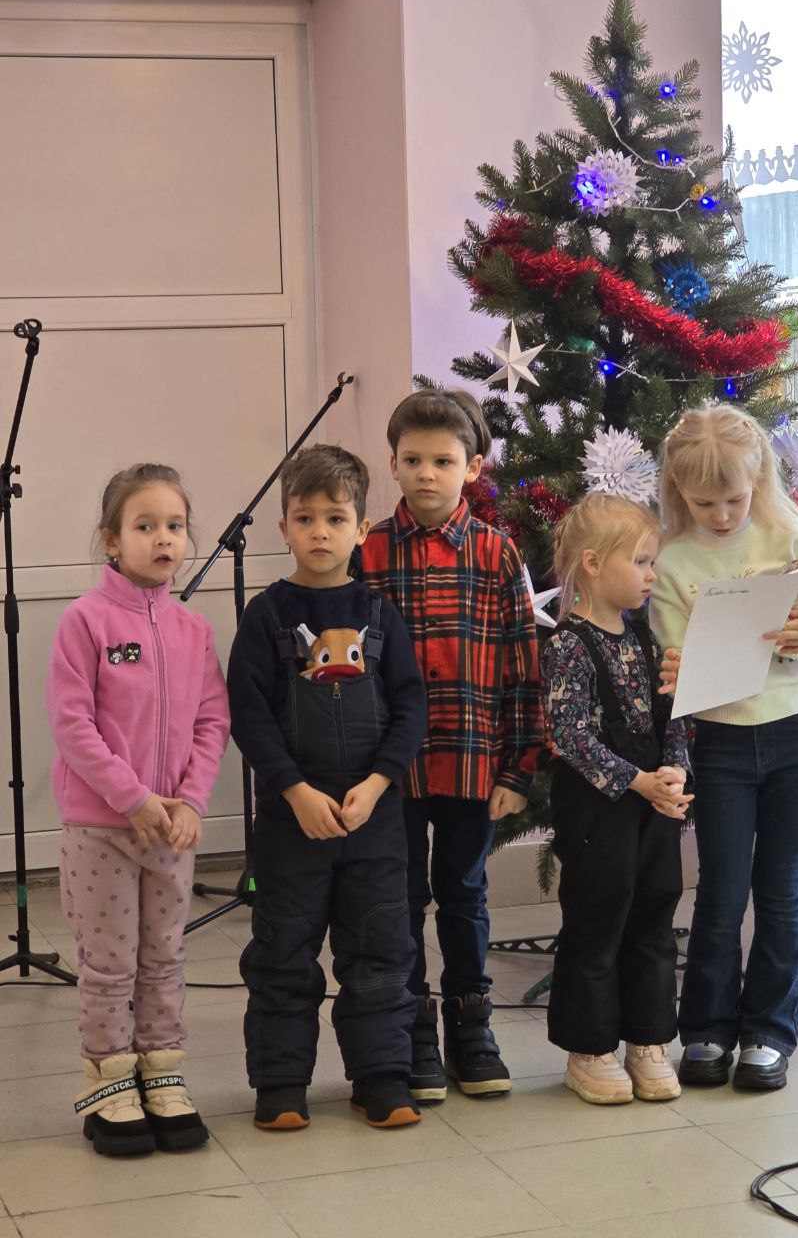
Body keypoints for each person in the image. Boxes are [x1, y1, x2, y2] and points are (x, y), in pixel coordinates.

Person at [650, 404, 798, 1091]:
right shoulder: (674, 560)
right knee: (721, 891)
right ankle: (707, 1030)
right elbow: (672, 652)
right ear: (679, 491)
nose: (722, 515)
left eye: (735, 499)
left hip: (797, 731)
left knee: (780, 890)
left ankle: (769, 1035)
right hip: (720, 742)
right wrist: (679, 667)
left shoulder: (791, 536)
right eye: (704, 503)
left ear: (758, 482)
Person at [228, 444, 428, 1132]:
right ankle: (281, 1084)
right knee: (282, 954)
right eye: (305, 517)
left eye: (335, 518)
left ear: (360, 529)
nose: (320, 531)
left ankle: (381, 1077)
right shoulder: (265, 616)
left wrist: (376, 784)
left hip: (373, 819)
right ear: (284, 527)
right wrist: (293, 791)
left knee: (380, 951)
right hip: (293, 824)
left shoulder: (382, 614)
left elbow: (410, 707)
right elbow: (249, 715)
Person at [361, 389, 543, 1102]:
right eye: (413, 460)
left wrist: (519, 770)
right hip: (393, 769)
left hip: (474, 762)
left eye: (443, 461)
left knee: (463, 894)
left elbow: (524, 668)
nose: (426, 474)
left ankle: (473, 1025)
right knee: (402, 896)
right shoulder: (370, 551)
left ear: (472, 467)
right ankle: (412, 1029)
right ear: (393, 464)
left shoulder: (497, 553)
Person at [46, 463, 230, 1156]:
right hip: (103, 828)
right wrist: (134, 798)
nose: (163, 539)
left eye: (175, 526)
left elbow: (212, 722)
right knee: (109, 964)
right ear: (111, 540)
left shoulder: (193, 630)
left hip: (171, 831)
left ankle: (161, 1074)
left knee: (164, 957)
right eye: (145, 526)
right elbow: (73, 724)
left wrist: (190, 802)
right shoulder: (85, 621)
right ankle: (110, 1084)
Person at [541, 494, 692, 1104]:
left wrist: (674, 772)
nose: (653, 574)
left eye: (654, 562)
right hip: (598, 809)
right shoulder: (569, 644)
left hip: (652, 806)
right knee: (598, 918)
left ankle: (647, 1040)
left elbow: (672, 715)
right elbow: (571, 735)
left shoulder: (646, 641)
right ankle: (590, 1049)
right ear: (594, 564)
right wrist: (638, 780)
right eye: (642, 561)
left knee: (654, 915)